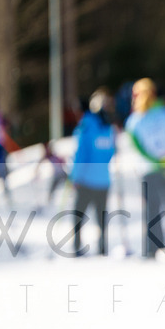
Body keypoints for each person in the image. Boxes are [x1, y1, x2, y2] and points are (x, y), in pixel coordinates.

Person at [125, 78, 165, 258]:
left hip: (149, 169)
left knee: (153, 211)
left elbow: (138, 147)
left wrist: (156, 160)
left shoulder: (134, 120)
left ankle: (152, 249)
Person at [70, 89, 117, 256]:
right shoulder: (109, 128)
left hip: (86, 179)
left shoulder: (87, 125)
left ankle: (77, 246)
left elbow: (81, 153)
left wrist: (75, 176)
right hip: (103, 179)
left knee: (78, 215)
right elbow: (111, 152)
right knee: (101, 216)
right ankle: (102, 247)